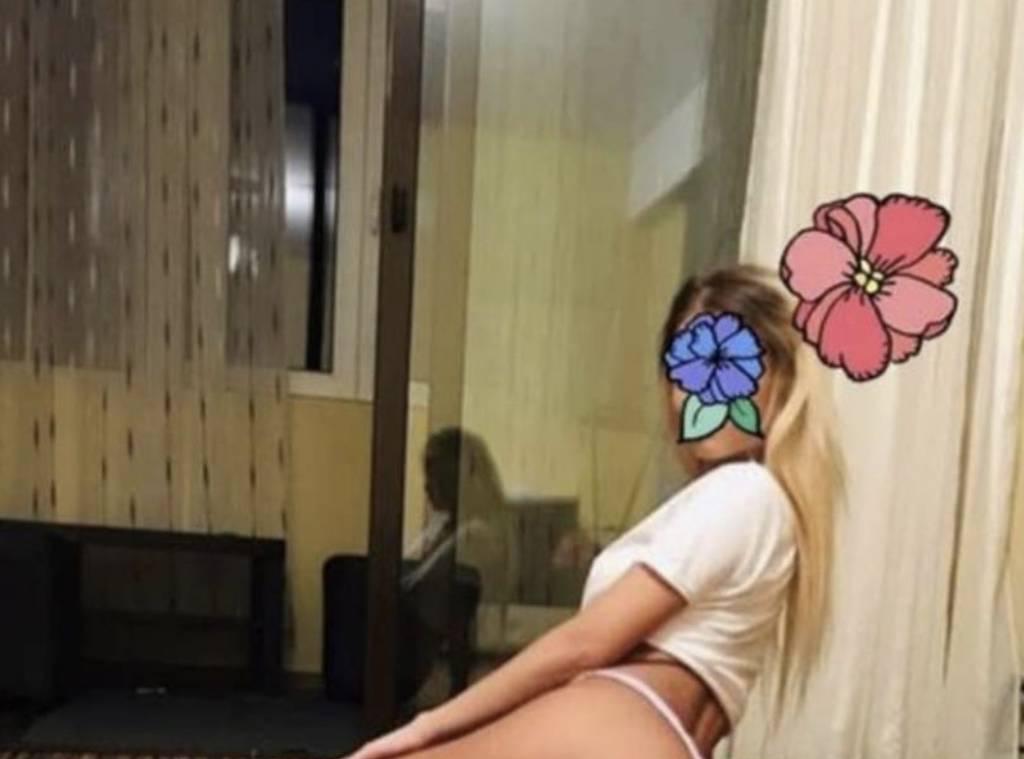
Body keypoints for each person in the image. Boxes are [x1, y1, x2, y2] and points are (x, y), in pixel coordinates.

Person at [343, 264, 844, 759]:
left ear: (777, 373)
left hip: (615, 720)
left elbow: (584, 645)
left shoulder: (744, 492)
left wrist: (427, 727)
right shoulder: (754, 504)